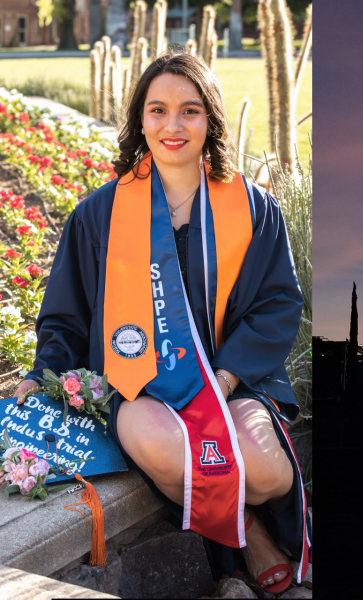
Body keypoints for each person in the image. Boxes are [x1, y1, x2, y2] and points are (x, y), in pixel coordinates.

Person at [18, 51, 310, 595]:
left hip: (232, 381)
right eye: (158, 110)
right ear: (140, 119)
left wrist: (224, 377)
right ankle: (245, 532)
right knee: (163, 450)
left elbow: (276, 304)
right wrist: (43, 373)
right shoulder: (99, 215)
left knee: (271, 473)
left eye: (189, 111)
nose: (172, 126)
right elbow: (65, 315)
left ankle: (245, 520)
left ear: (210, 120)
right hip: (140, 386)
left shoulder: (254, 209)